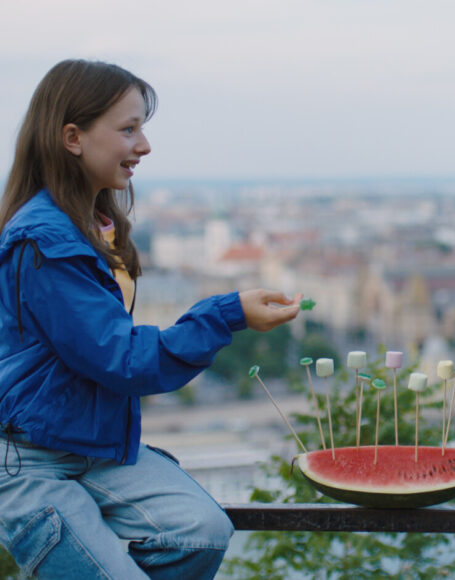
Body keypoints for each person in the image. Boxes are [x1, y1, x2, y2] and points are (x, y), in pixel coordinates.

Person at [0, 59, 302, 579]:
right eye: (128, 129)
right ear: (73, 137)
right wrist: (227, 315)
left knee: (201, 531)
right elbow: (122, 358)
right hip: (31, 460)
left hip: (91, 446)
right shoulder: (45, 242)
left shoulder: (89, 225)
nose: (144, 145)